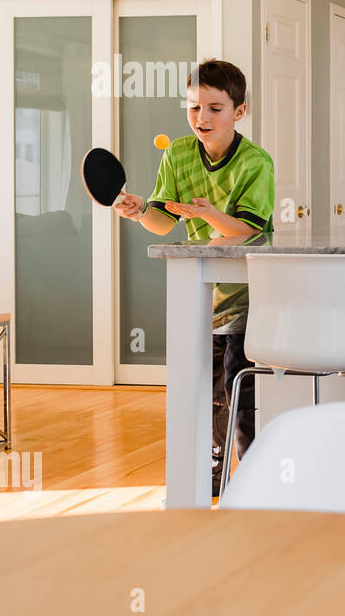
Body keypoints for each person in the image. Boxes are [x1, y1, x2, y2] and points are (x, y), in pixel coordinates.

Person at [113, 59, 275, 497]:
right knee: (206, 389)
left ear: (239, 112)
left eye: (214, 109)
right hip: (202, 297)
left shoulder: (256, 163)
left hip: (249, 294)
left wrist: (210, 215)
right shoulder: (178, 154)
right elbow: (163, 223)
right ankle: (213, 476)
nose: (202, 118)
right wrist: (140, 209)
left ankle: (256, 479)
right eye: (193, 107)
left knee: (240, 388)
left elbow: (250, 232)